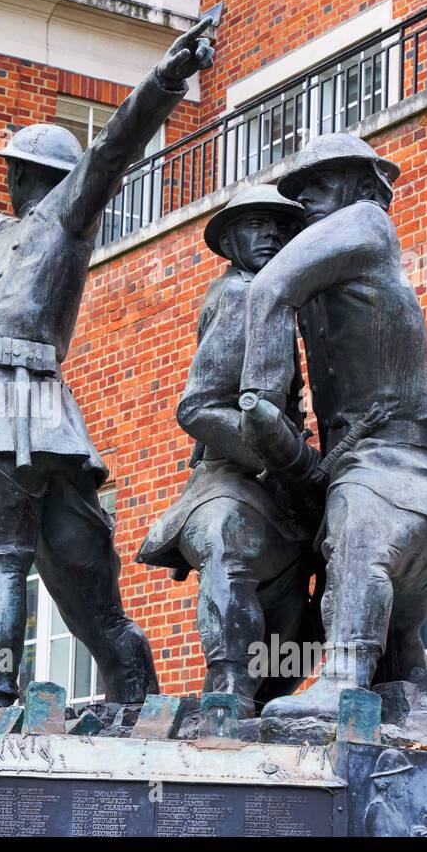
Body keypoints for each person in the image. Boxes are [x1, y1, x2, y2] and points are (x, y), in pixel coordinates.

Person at [0, 19, 216, 734]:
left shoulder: (66, 214)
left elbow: (113, 149)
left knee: (0, 567)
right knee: (78, 572)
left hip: (14, 410)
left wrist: (168, 80)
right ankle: (135, 693)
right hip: (31, 419)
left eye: (13, 167)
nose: (7, 177)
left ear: (29, 175)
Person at [238, 133, 427, 719]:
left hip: (389, 469)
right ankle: (399, 675)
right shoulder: (332, 260)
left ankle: (342, 676)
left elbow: (269, 286)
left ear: (362, 186)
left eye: (319, 183)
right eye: (299, 187)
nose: (305, 197)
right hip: (378, 466)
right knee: (398, 657)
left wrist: (257, 394)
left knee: (361, 544)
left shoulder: (365, 223)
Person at [136, 185, 319, 716]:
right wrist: (271, 452)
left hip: (285, 486)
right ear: (232, 239)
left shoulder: (275, 296)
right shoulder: (239, 295)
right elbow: (196, 408)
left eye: (280, 227)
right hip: (236, 476)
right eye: (257, 225)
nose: (271, 235)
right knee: (228, 543)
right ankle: (227, 686)